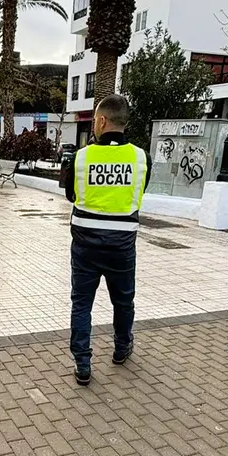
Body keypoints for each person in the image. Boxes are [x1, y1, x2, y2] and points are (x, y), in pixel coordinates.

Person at [62, 95, 151, 386]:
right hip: (122, 246)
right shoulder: (141, 158)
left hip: (85, 245)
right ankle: (121, 349)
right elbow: (139, 193)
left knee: (81, 303)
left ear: (101, 121)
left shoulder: (81, 157)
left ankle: (83, 363)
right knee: (123, 301)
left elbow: (71, 196)